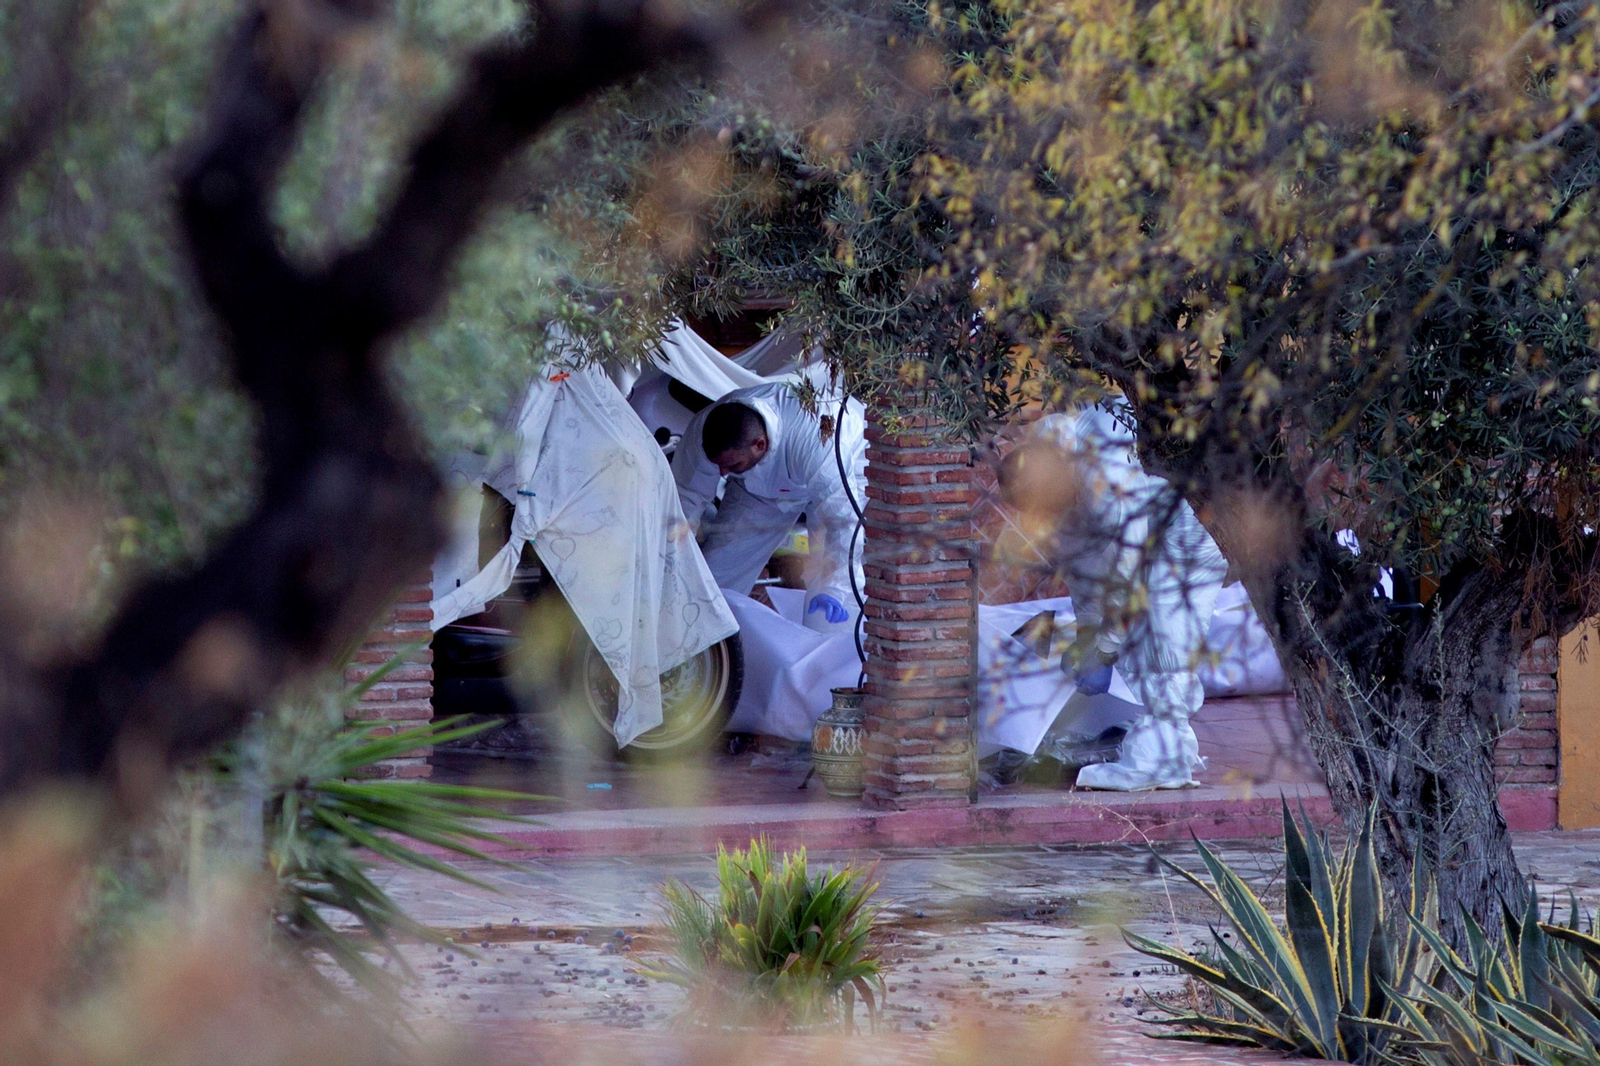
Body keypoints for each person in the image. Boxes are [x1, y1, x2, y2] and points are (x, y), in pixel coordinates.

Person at [999, 401, 1228, 789]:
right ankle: (1168, 749)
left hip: (1187, 528)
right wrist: (1091, 635)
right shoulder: (1051, 466)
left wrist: (1104, 646)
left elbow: (1128, 571)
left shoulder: (1106, 476)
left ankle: (1160, 762)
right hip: (1143, 532)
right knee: (1133, 649)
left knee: (1167, 647)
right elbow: (1085, 567)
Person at [672, 382, 867, 634]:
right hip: (759, 486)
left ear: (760, 444)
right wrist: (673, 557)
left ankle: (830, 654)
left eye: (732, 465)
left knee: (830, 586)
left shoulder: (816, 439)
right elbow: (685, 498)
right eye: (718, 466)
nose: (722, 473)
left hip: (842, 470)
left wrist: (837, 586)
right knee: (717, 573)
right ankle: (705, 647)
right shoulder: (702, 433)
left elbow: (842, 518)